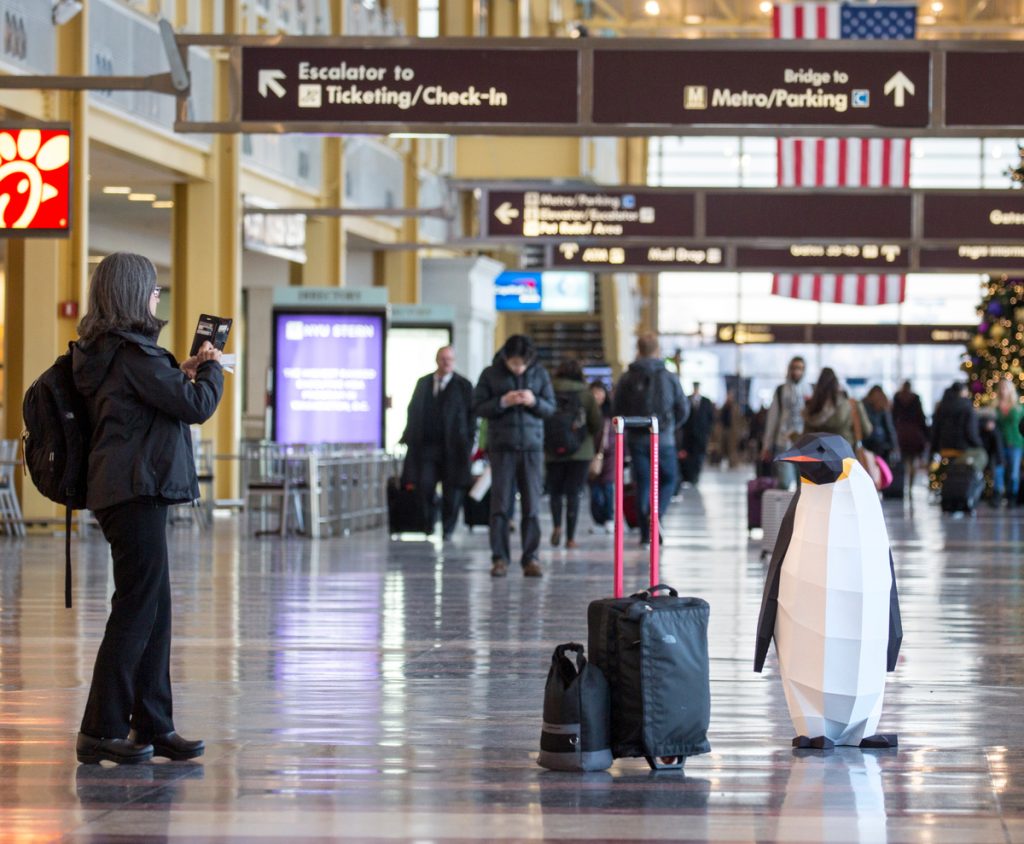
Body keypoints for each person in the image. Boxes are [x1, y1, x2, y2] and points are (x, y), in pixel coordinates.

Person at [71, 253, 223, 765]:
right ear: (135, 293)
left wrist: (180, 370)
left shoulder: (107, 352)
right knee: (137, 610)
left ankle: (154, 725)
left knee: (153, 611)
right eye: (154, 289)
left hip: (124, 490)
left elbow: (144, 403)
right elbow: (196, 405)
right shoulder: (135, 355)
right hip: (135, 493)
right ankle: (99, 729)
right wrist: (212, 369)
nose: (158, 297)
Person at [472, 335, 555, 577]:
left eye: (522, 363)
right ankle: (499, 558)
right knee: (500, 505)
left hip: (531, 447)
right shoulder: (490, 374)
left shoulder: (539, 374)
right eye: (514, 363)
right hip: (502, 447)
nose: (518, 367)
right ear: (506, 358)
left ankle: (531, 558)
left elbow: (550, 408)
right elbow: (477, 406)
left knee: (532, 505)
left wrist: (534, 401)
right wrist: (502, 402)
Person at [612, 333, 688, 546]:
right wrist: (671, 427)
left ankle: (646, 534)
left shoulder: (628, 377)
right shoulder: (669, 376)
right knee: (670, 479)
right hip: (663, 438)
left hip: (636, 438)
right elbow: (683, 408)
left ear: (639, 349)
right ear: (657, 350)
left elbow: (617, 408)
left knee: (643, 483)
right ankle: (657, 514)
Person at [400, 346, 475, 540]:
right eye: (443, 359)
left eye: (450, 359)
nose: (446, 362)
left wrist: (468, 443)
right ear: (436, 360)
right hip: (427, 448)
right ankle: (428, 523)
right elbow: (413, 411)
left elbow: (471, 417)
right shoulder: (424, 383)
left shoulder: (464, 386)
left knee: (453, 490)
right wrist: (407, 436)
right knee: (424, 485)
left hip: (454, 449)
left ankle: (448, 529)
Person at [545, 360, 603, 548]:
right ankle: (570, 538)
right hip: (581, 451)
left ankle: (556, 525)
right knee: (573, 493)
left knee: (555, 492)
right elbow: (596, 424)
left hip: (552, 450)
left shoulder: (549, 390)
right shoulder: (585, 394)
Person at [761, 356, 807, 490]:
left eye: (800, 368)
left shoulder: (809, 390)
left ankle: (799, 511)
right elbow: (773, 419)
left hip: (804, 446)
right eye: (794, 368)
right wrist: (767, 446)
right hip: (783, 444)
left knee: (804, 488)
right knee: (784, 483)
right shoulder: (781, 390)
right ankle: (781, 509)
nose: (796, 372)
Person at [803, 367, 872, 449]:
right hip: (846, 454)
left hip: (820, 456)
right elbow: (867, 430)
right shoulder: (852, 405)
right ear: (837, 385)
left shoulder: (812, 408)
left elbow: (806, 437)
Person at [931, 381, 987, 471]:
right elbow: (971, 432)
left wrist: (934, 449)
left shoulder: (941, 407)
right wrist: (979, 444)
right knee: (982, 455)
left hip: (943, 448)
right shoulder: (967, 407)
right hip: (962, 449)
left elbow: (935, 430)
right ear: (962, 391)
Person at [892, 380, 930, 496]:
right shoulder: (915, 398)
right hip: (914, 434)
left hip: (901, 434)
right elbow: (921, 417)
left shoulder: (897, 398)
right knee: (913, 461)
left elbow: (893, 416)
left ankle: (903, 485)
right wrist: (926, 434)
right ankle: (910, 485)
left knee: (904, 461)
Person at [588, 380, 615, 533]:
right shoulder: (585, 411)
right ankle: (598, 519)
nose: (597, 396)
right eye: (594, 392)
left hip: (610, 455)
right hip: (591, 455)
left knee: (608, 488)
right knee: (595, 490)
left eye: (600, 392)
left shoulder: (611, 413)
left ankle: (609, 518)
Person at [993, 378, 1024, 506]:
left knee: (1013, 473)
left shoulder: (1018, 408)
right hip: (1000, 444)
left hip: (1016, 443)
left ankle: (1013, 496)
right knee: (998, 471)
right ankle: (998, 495)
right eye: (1001, 388)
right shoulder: (994, 407)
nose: (1003, 390)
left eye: (1005, 387)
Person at [679, 381, 714, 486]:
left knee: (699, 456)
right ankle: (690, 476)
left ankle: (696, 476)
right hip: (688, 434)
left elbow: (710, 418)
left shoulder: (706, 401)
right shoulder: (687, 399)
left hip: (701, 434)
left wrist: (707, 431)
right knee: (689, 456)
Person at [862, 385, 899, 467]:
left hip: (872, 445)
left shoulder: (864, 405)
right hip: (877, 446)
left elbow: (890, 429)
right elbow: (890, 429)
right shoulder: (882, 407)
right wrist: (894, 447)